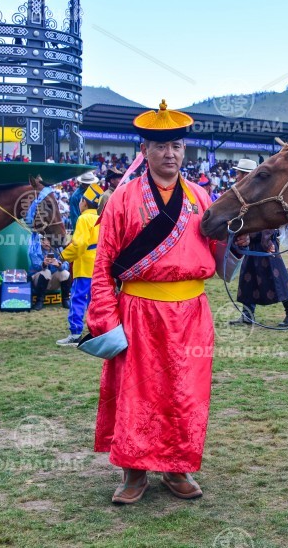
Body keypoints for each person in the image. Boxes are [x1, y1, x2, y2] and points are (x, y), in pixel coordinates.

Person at [89, 101, 247, 505]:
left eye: (176, 146)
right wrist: (106, 320)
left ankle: (178, 468)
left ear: (184, 149)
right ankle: (134, 471)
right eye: (160, 147)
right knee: (136, 393)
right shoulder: (123, 199)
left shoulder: (201, 197)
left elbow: (219, 262)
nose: (169, 154)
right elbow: (103, 265)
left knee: (185, 392)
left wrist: (236, 243)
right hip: (139, 311)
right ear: (144, 150)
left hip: (192, 314)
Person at [228, 159, 288, 327]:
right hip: (251, 244)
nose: (236, 176)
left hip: (265, 243)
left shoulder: (263, 193)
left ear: (246, 175)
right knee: (247, 279)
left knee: (277, 278)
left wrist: (261, 239)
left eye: (239, 173)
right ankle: (247, 315)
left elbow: (270, 220)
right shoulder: (244, 195)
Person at [58, 182, 103, 346]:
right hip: (98, 266)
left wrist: (62, 256)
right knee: (95, 301)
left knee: (78, 299)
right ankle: (97, 331)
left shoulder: (83, 218)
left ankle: (75, 333)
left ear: (84, 202)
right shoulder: (100, 218)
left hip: (84, 266)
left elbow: (79, 245)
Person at [28, 235, 71, 310]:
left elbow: (66, 264)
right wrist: (44, 264)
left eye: (49, 240)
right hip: (38, 280)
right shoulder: (35, 248)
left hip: (53, 281)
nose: (46, 242)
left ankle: (65, 300)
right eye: (43, 240)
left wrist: (59, 265)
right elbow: (35, 265)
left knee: (65, 273)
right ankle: (39, 301)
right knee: (46, 272)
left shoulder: (58, 249)